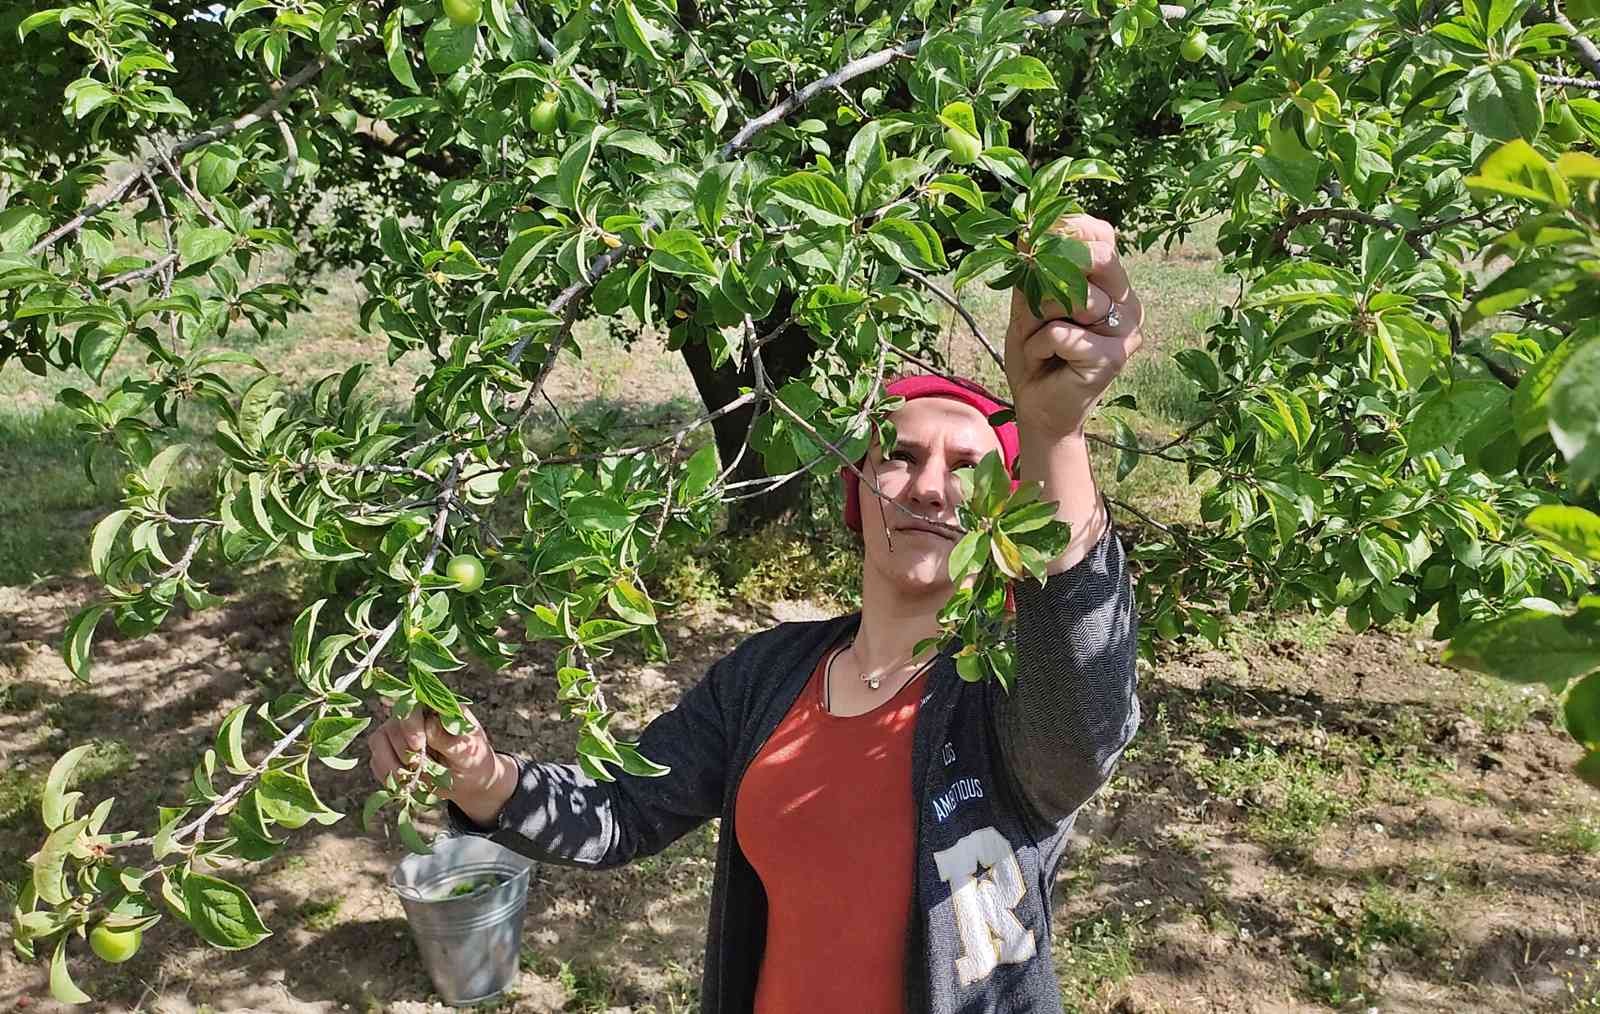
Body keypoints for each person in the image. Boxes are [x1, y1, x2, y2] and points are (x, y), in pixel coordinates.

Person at [368, 214, 1144, 1013]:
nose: (931, 488)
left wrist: (1053, 431)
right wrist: (484, 777)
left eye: (968, 469)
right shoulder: (766, 677)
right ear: (858, 492)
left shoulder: (1007, 691)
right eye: (901, 458)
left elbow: (1084, 716)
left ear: (1004, 515)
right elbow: (623, 810)